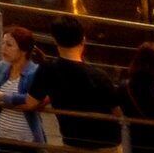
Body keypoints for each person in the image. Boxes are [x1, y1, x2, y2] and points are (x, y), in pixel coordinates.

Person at [36, 23, 124, 153]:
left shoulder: (48, 71)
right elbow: (118, 113)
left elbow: (31, 103)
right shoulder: (99, 76)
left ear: (55, 40)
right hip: (106, 143)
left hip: (72, 142)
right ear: (83, 40)